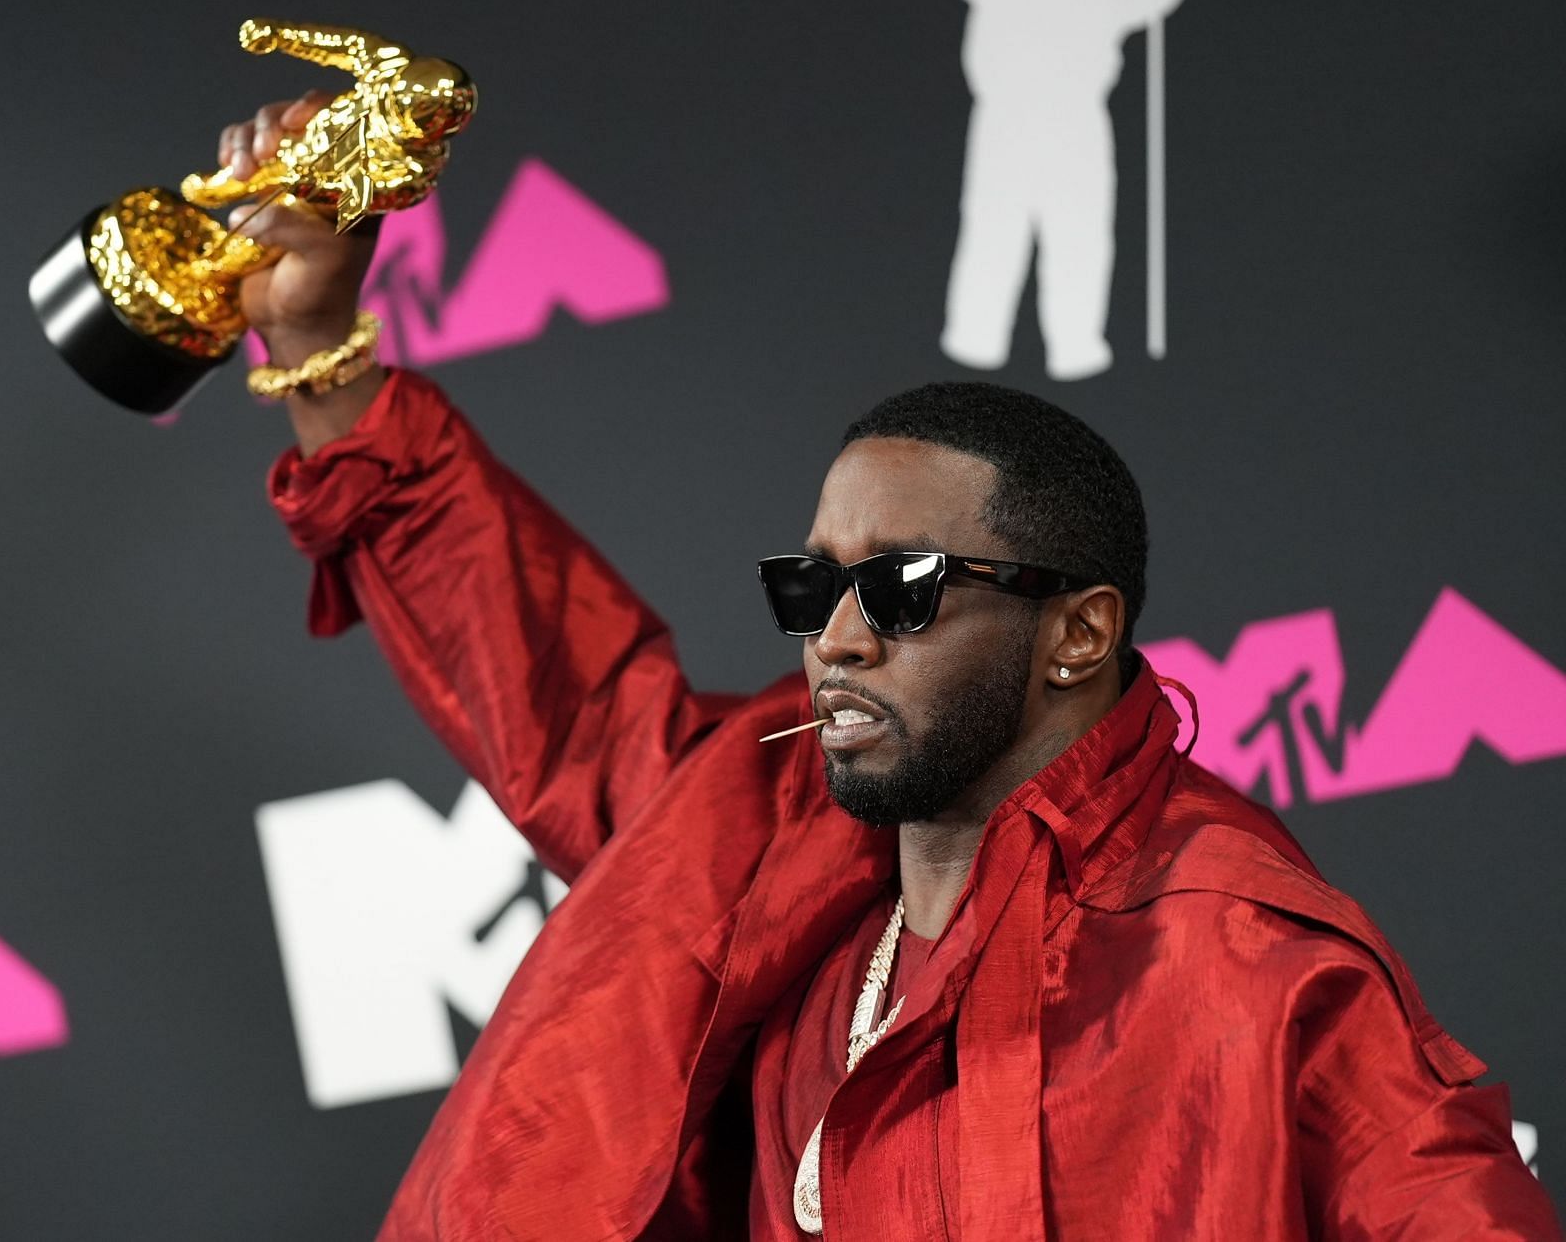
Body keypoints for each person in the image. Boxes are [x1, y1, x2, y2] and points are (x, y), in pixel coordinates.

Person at [222, 95, 1559, 1239]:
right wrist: (318, 350)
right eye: (812, 585)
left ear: (1080, 633)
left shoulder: (1239, 953)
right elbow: (545, 671)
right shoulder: (752, 823)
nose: (837, 635)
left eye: (902, 589)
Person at [940, 0, 1187, 381]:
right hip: (1011, 115)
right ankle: (978, 334)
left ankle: (1071, 341)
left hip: (1071, 121)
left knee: (1075, 234)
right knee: (998, 227)